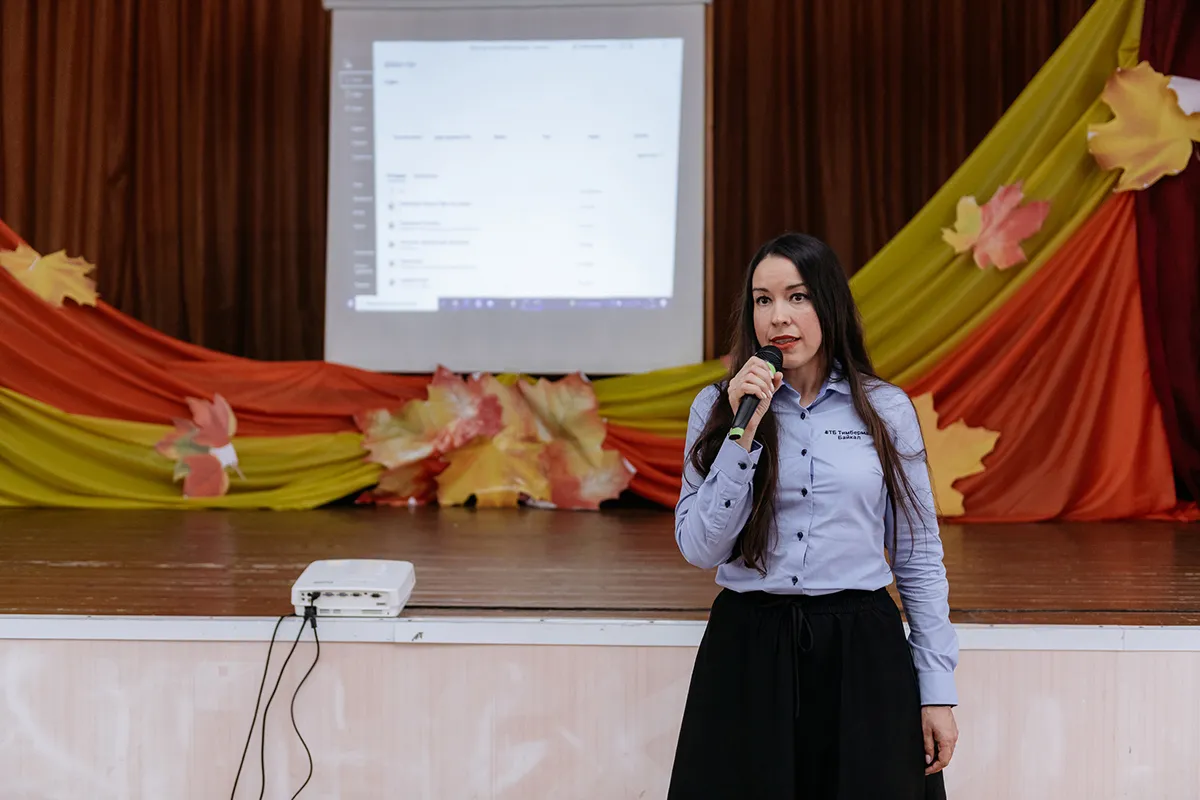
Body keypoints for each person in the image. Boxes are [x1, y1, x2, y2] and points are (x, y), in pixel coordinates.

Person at [667, 233, 959, 799]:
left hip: (861, 650)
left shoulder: (885, 408)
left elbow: (919, 556)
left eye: (797, 297)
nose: (778, 316)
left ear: (829, 304)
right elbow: (700, 548)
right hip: (748, 649)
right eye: (763, 300)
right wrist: (741, 432)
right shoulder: (718, 407)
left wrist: (936, 691)